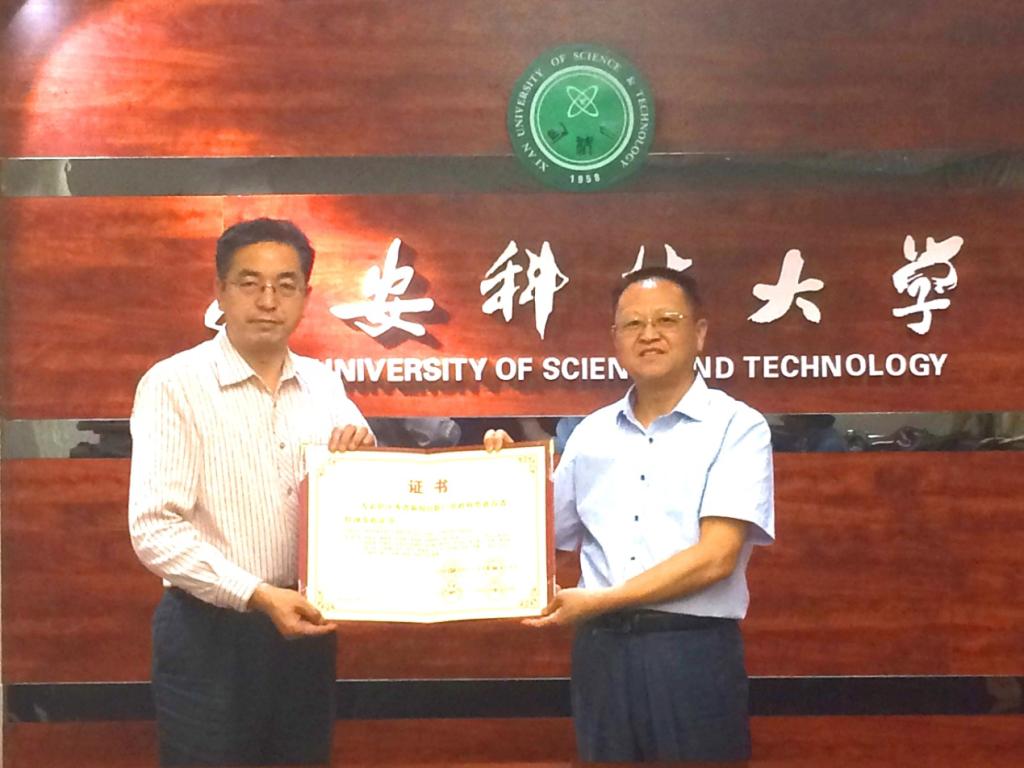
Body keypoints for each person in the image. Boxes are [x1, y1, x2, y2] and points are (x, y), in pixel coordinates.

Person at [128, 218, 374, 766]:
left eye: (286, 285)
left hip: (305, 629)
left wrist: (363, 454)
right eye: (250, 283)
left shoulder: (323, 384)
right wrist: (257, 594)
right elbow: (154, 529)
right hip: (209, 634)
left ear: (305, 296)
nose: (268, 300)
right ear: (220, 291)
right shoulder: (174, 384)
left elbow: (365, 482)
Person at [515, 266, 775, 762]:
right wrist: (504, 474)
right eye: (632, 324)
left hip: (691, 653)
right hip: (602, 654)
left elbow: (716, 557)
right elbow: (539, 534)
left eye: (666, 320)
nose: (648, 334)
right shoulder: (590, 434)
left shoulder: (737, 426)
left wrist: (602, 600)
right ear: (615, 338)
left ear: (700, 333)